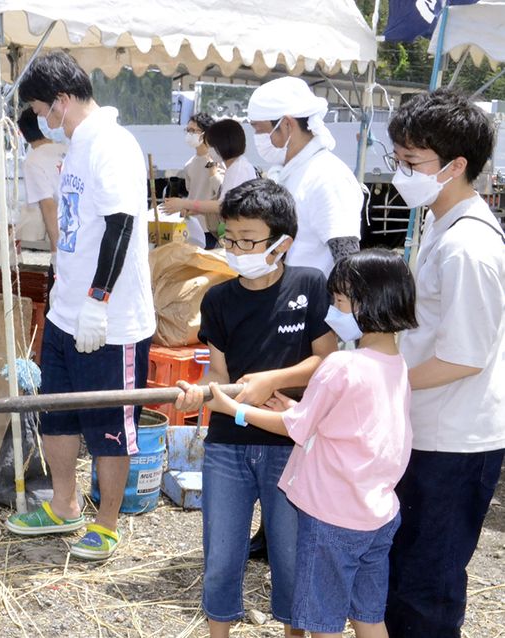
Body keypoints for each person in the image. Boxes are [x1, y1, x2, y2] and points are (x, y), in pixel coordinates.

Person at [177, 248, 416, 638]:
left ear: (365, 305)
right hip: (377, 514)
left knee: (321, 621)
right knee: (368, 616)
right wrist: (294, 406)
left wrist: (231, 408)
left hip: (333, 517)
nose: (331, 313)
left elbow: (295, 428)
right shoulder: (396, 364)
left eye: (339, 302)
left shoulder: (342, 364)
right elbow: (344, 422)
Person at [4, 51, 156, 561]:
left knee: (108, 423)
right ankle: (64, 503)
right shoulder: (79, 145)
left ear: (64, 101)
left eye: (45, 110)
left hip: (110, 320)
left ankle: (107, 521)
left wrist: (98, 299)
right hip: (66, 313)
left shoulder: (112, 144)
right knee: (58, 414)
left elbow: (121, 224)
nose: (44, 120)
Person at [170, 178, 338, 637]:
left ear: (282, 243)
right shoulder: (219, 299)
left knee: (290, 557)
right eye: (231, 238)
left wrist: (273, 380)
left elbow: (328, 360)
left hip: (291, 443)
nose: (237, 248)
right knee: (222, 557)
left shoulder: (308, 284)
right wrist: (199, 394)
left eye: (249, 240)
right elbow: (218, 377)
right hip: (228, 445)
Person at [383, 89, 505, 638]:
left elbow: (463, 356)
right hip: (429, 426)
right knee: (406, 572)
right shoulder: (442, 223)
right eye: (398, 159)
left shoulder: (469, 247)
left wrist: (384, 385)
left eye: (411, 163)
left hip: (455, 440)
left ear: (456, 166)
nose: (400, 173)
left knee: (426, 586)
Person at [247, 76, 363, 278]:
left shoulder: (327, 176)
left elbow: (346, 257)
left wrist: (339, 309)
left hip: (315, 304)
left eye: (260, 130)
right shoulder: (288, 172)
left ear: (286, 125)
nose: (259, 139)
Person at [161, 112, 224, 248]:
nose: (190, 134)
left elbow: (222, 190)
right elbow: (192, 193)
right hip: (191, 226)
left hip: (211, 228)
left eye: (193, 131)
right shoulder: (189, 165)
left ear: (206, 133)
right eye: (188, 130)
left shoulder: (218, 160)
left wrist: (213, 172)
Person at [16, 107, 67, 256]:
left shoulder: (33, 161)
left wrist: (56, 251)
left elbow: (49, 207)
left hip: (64, 235)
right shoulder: (67, 149)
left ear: (24, 134)